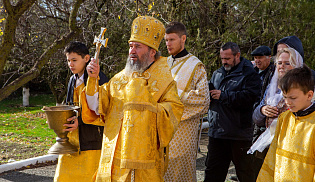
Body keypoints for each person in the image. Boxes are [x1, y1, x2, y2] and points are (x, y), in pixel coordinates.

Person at [80, 16, 184, 181]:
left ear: (152, 51)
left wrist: (147, 107)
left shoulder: (164, 81)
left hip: (145, 161)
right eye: (130, 46)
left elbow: (174, 111)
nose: (132, 51)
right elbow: (97, 107)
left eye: (138, 47)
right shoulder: (120, 78)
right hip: (114, 157)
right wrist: (92, 79)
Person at [204, 42, 261, 182]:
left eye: (227, 59)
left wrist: (224, 95)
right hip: (217, 133)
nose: (224, 62)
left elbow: (251, 98)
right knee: (212, 174)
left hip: (239, 135)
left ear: (237, 56)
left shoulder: (250, 73)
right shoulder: (217, 73)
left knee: (246, 174)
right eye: (222, 58)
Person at [54, 41, 109, 181]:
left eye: (74, 60)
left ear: (86, 58)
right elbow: (69, 105)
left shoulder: (99, 78)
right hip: (71, 139)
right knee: (64, 175)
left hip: (90, 139)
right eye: (68, 60)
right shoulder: (72, 79)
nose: (70, 64)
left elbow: (101, 110)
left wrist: (80, 121)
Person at [163, 22, 210, 182]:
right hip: (161, 129)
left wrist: (170, 102)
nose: (168, 44)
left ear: (183, 38)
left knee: (179, 172)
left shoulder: (195, 66)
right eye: (166, 40)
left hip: (183, 132)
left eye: (172, 40)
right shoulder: (164, 63)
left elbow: (203, 99)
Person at [248, 48, 303, 179]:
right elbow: (256, 117)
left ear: (296, 65)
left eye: (287, 63)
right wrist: (262, 110)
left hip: (292, 146)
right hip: (269, 145)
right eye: (279, 63)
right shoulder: (271, 86)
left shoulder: (304, 87)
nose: (282, 66)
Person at [257, 65, 315, 181]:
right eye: (285, 97)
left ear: (309, 95)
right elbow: (272, 155)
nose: (287, 102)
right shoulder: (284, 118)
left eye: (293, 98)